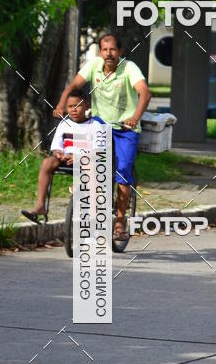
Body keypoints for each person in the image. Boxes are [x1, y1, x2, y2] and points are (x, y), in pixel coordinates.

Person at [53, 33, 152, 238]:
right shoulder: (94, 65)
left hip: (125, 129)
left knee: (123, 173)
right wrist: (62, 104)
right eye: (105, 50)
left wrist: (135, 117)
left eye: (113, 49)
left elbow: (145, 92)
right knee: (88, 157)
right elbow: (73, 86)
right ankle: (87, 191)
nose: (109, 54)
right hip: (99, 125)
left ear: (120, 51)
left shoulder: (129, 68)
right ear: (100, 52)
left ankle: (120, 222)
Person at [21, 89, 100, 223]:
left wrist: (79, 157)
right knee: (47, 162)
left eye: (78, 106)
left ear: (87, 105)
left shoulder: (95, 125)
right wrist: (59, 153)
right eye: (70, 106)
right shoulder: (64, 124)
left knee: (89, 164)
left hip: (87, 160)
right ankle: (40, 206)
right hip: (66, 159)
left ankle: (93, 210)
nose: (73, 110)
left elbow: (99, 152)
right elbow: (57, 147)